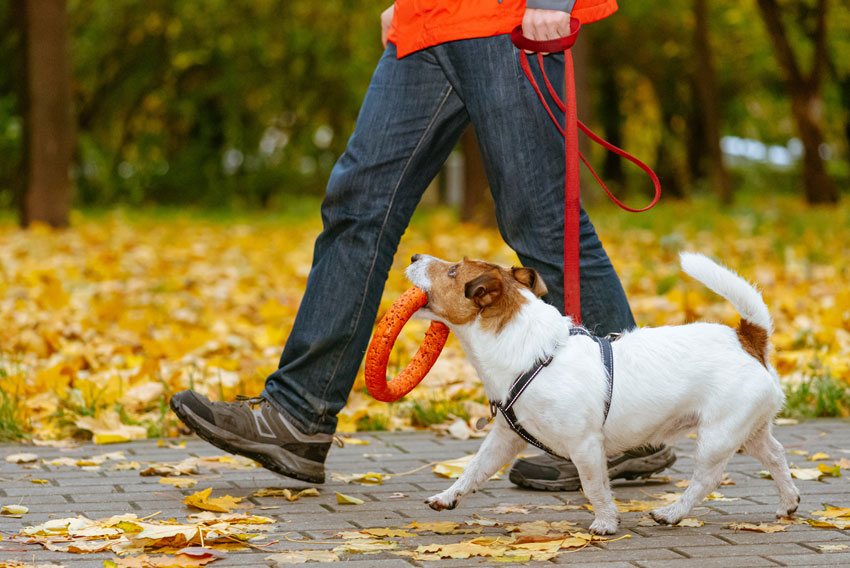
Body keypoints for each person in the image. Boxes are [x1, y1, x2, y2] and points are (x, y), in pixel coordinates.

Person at [170, 0, 675, 490]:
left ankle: (625, 424)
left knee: (542, 224)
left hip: (507, 19)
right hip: (427, 21)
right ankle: (298, 413)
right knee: (357, 205)